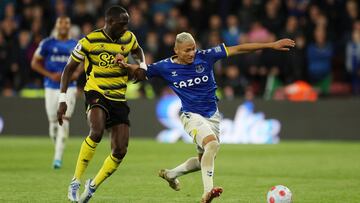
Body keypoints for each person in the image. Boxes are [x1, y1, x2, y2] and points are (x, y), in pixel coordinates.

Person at [118, 32, 295, 203]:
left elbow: (239, 49)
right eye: (187, 50)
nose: (191, 53)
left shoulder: (206, 56)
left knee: (204, 159)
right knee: (212, 144)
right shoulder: (164, 67)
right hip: (190, 115)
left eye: (193, 48)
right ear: (176, 50)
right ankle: (207, 192)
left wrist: (271, 45)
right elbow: (142, 71)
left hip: (212, 115)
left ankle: (171, 174)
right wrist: (126, 66)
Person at [56, 6, 147, 203]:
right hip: (96, 92)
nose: (126, 28)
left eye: (127, 24)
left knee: (120, 150)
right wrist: (62, 99)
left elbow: (137, 50)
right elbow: (68, 69)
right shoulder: (89, 41)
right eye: (122, 24)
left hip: (119, 97)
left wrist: (143, 66)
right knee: (96, 131)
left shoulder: (128, 37)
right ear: (110, 22)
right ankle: (75, 181)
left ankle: (93, 185)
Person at [31, 16, 80, 169]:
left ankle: (57, 157)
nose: (64, 26)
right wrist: (50, 75)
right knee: (53, 123)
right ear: (56, 26)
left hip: (69, 86)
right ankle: (57, 146)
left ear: (70, 26)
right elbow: (34, 63)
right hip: (51, 86)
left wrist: (76, 74)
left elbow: (84, 62)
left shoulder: (76, 44)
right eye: (61, 23)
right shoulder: (47, 43)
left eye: (67, 23)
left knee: (63, 120)